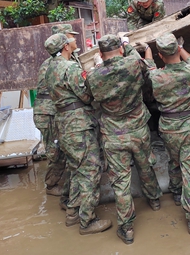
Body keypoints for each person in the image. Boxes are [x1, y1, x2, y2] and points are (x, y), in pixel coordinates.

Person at [85, 34, 162, 245]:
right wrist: (127, 44)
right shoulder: (134, 64)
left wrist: (98, 67)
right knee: (146, 166)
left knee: (120, 182)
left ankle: (127, 229)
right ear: (120, 49)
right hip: (138, 128)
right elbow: (147, 68)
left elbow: (90, 98)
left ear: (100, 54)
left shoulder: (94, 76)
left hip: (112, 133)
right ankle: (154, 200)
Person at [44, 33, 112, 235]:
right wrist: (97, 72)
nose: (75, 40)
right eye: (70, 39)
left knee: (76, 170)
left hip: (65, 124)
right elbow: (85, 94)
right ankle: (87, 221)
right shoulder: (70, 67)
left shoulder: (51, 67)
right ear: (66, 46)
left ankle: (73, 212)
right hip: (78, 125)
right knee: (91, 171)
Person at [144, 33, 190, 235]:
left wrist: (146, 48)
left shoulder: (155, 76)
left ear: (160, 56)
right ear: (177, 50)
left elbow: (147, 65)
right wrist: (181, 47)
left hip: (168, 127)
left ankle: (176, 192)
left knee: (175, 160)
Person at [33, 24, 78, 200]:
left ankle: (58, 181)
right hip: (48, 112)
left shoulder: (66, 60)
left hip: (53, 111)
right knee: (55, 150)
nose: (73, 39)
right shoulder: (53, 64)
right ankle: (51, 185)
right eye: (69, 36)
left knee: (60, 149)